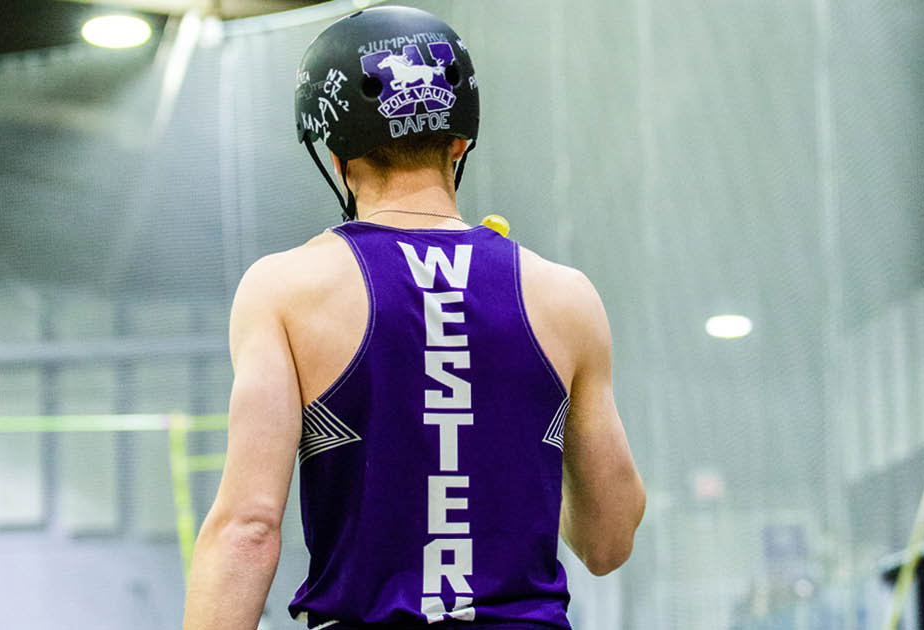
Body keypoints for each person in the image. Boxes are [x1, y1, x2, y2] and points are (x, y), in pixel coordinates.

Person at [183, 7, 644, 629]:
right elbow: (609, 539)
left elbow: (249, 528)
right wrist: (521, 422)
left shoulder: (285, 289)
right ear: (460, 143)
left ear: (335, 151)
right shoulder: (562, 296)